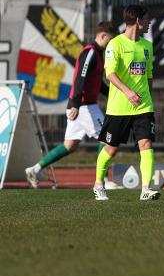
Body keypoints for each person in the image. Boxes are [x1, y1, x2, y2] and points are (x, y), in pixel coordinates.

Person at [25, 22, 117, 188]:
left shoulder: (98, 54)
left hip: (82, 106)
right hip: (83, 106)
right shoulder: (90, 52)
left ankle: (35, 169)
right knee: (108, 136)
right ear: (103, 36)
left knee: (69, 145)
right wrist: (75, 103)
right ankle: (102, 180)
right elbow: (80, 78)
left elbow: (98, 83)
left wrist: (113, 94)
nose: (112, 44)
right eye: (111, 40)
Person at [92, 5, 159, 201]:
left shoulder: (147, 45)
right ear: (138, 21)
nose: (149, 23)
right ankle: (98, 184)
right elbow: (110, 74)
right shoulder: (116, 44)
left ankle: (146, 189)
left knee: (146, 143)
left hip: (143, 106)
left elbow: (148, 76)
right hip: (119, 107)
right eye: (146, 20)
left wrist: (149, 98)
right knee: (111, 148)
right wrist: (128, 92)